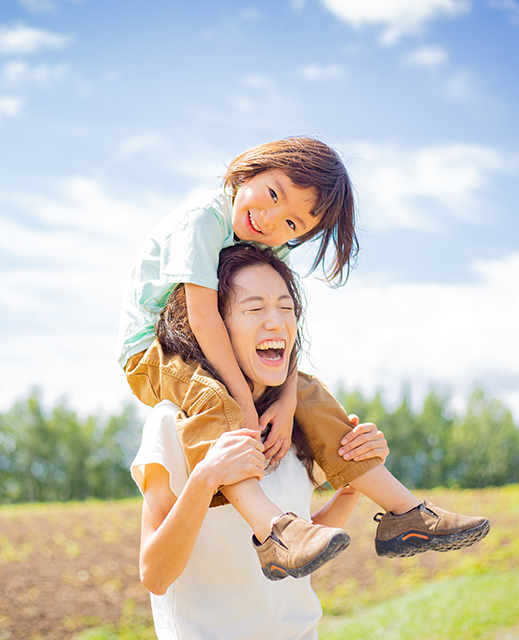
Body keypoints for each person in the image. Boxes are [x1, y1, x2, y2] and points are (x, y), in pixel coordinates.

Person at [118, 138, 489, 580]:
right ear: (252, 170)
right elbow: (203, 317)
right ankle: (273, 531)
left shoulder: (269, 246)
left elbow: (291, 332)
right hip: (152, 349)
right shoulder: (203, 219)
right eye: (273, 195)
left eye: (291, 222)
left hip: (205, 347)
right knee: (213, 397)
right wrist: (241, 395)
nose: (270, 219)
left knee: (307, 387)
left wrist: (289, 398)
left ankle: (404, 511)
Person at [132, 243, 391, 639]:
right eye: (255, 309)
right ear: (214, 327)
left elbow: (294, 547)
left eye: (286, 308)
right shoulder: (172, 423)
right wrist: (206, 480)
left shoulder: (291, 423)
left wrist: (352, 486)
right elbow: (155, 575)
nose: (276, 322)